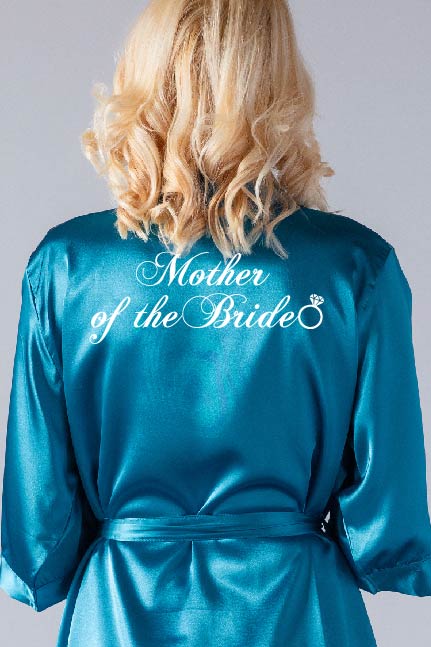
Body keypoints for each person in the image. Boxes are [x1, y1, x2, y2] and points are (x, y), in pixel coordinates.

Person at [1, 1, 430, 645]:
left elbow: (38, 534)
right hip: (295, 610)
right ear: (279, 82)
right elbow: (385, 519)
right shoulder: (354, 267)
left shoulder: (68, 267)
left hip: (119, 610)